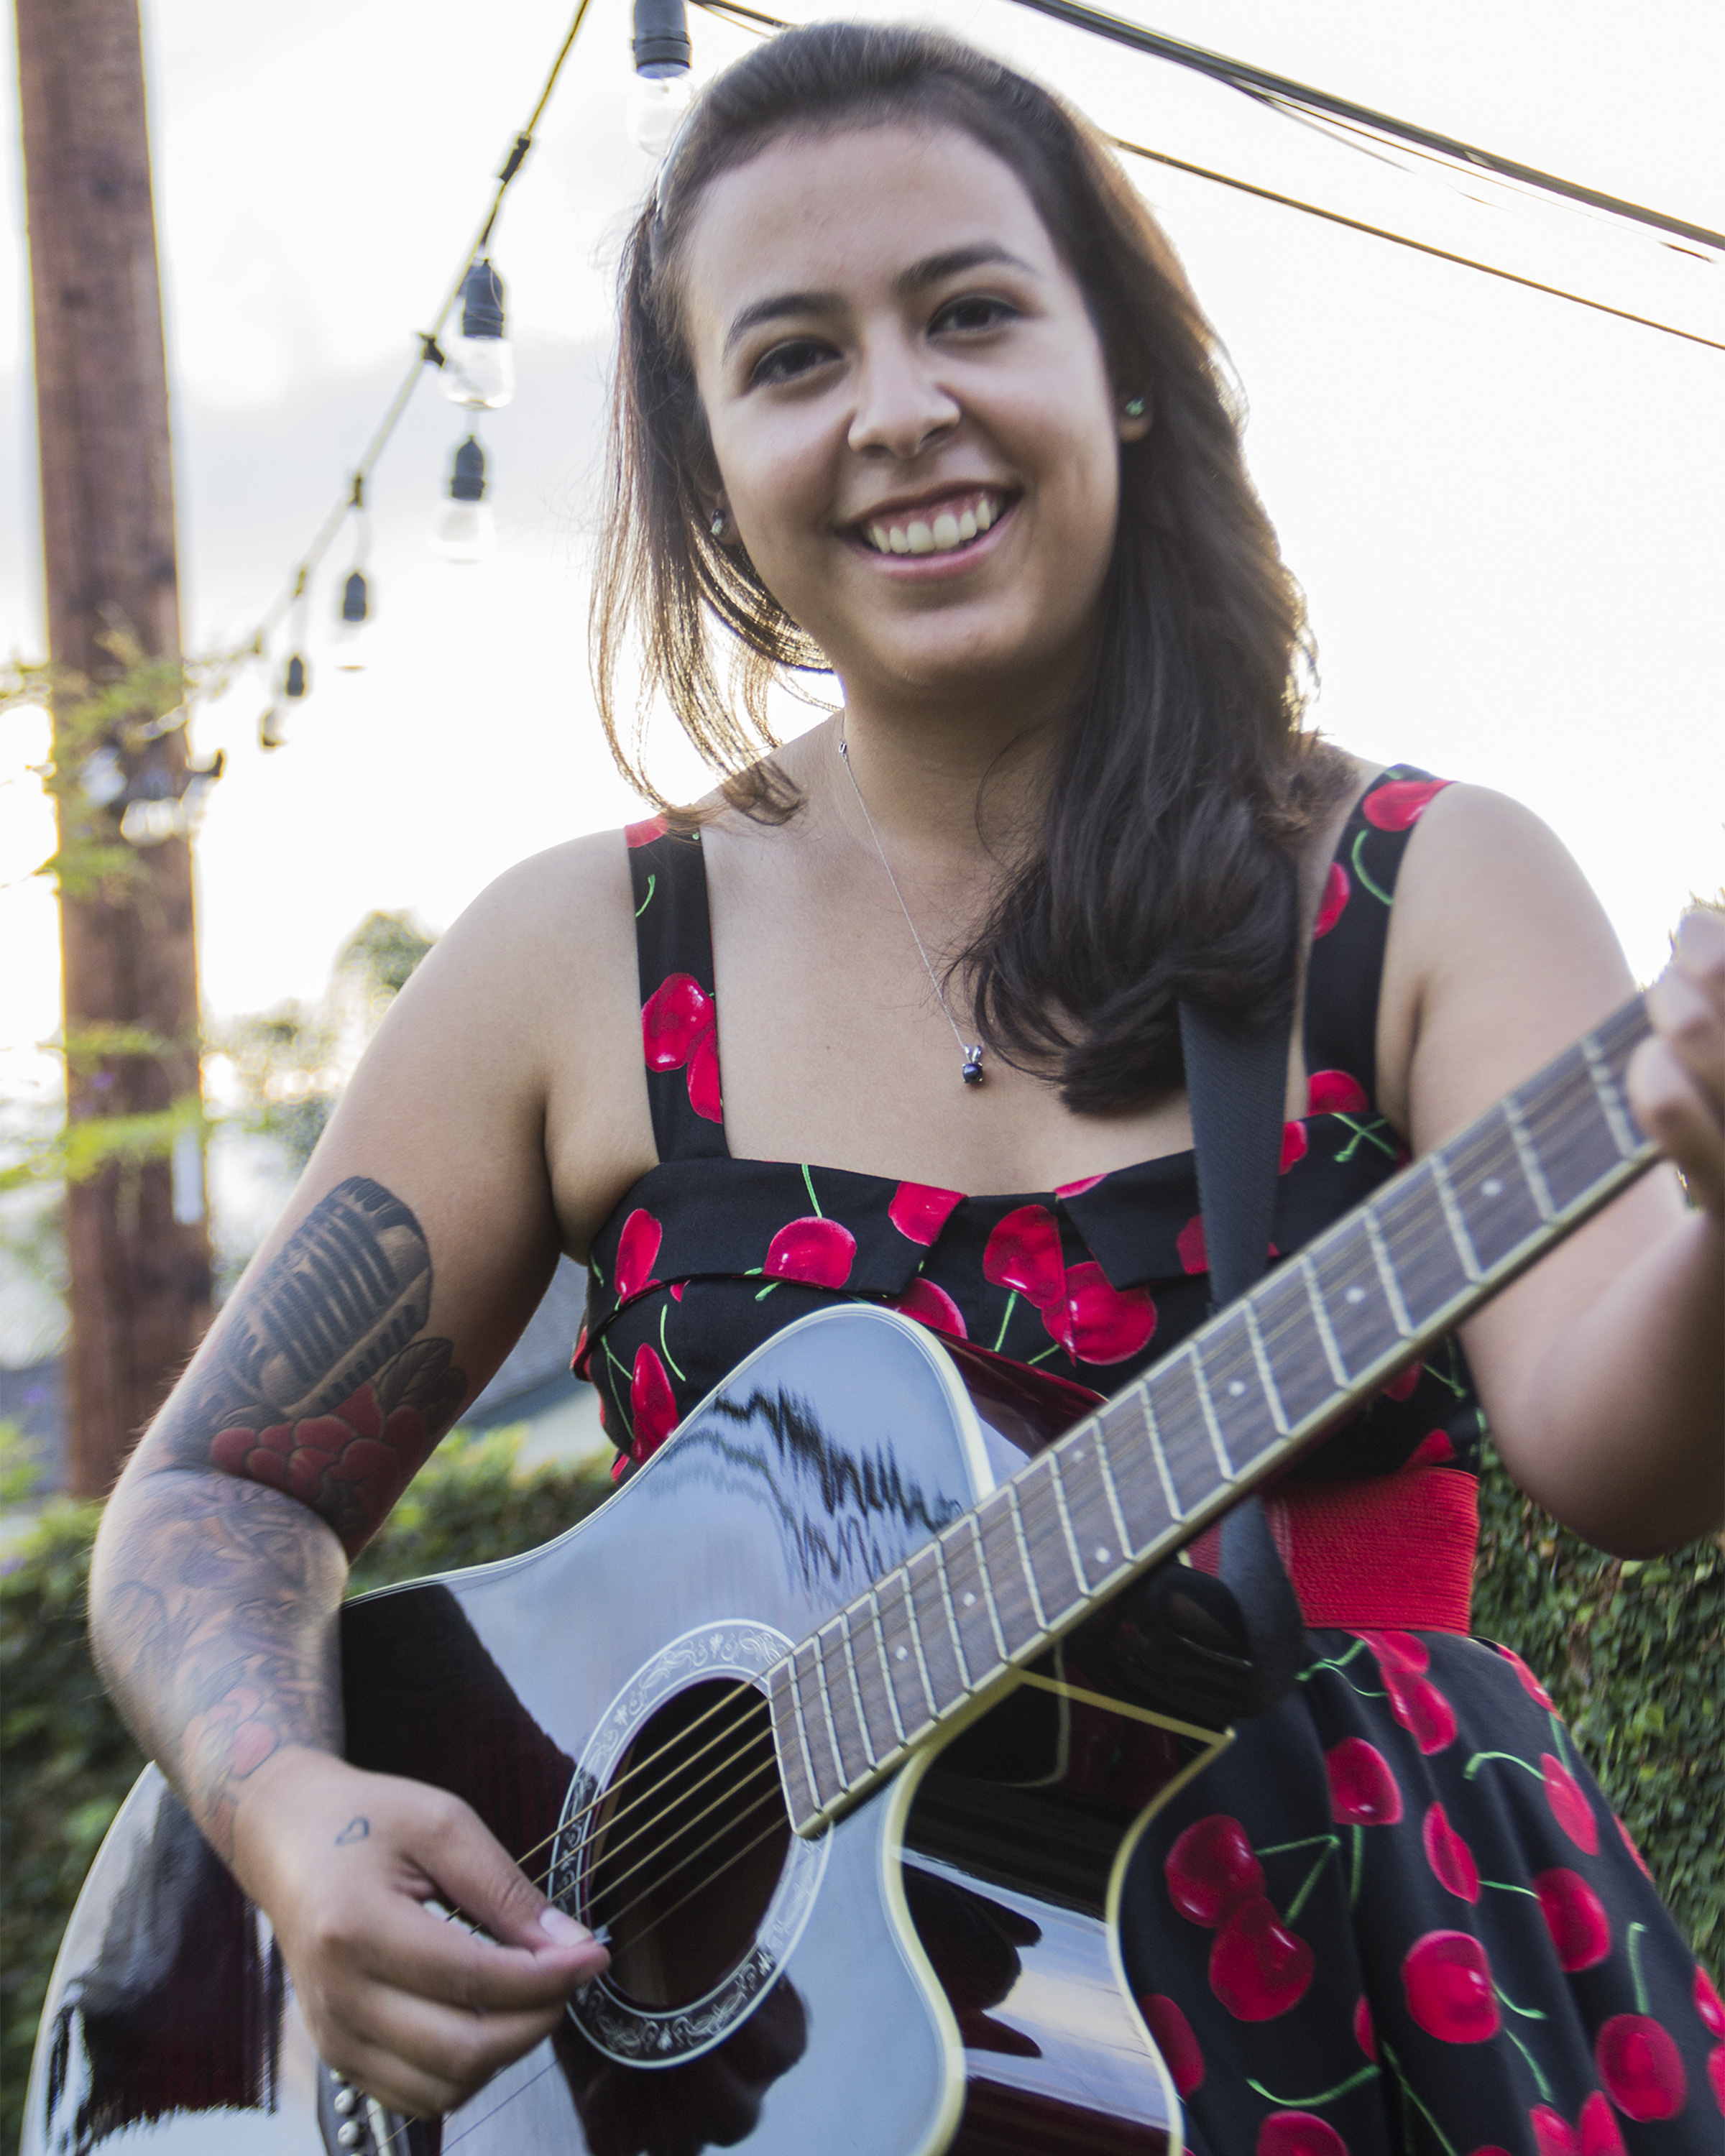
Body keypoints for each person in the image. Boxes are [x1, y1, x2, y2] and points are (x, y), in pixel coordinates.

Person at [88, 22, 1723, 2151]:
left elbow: (1623, 1453)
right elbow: (213, 1495)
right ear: (711, 470)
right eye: (793, 359)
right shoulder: (584, 959)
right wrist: (290, 1811)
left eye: (970, 313)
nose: (896, 409)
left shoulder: (1417, 888)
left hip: (1365, 1993)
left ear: (1124, 372)